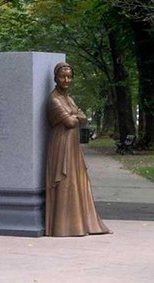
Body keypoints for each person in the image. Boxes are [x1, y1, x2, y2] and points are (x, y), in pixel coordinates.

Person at [45, 62, 110, 237]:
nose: (66, 80)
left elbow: (83, 118)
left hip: (72, 145)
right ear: (55, 78)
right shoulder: (54, 100)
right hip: (61, 145)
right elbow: (72, 121)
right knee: (65, 181)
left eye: (69, 76)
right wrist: (75, 116)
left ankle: (78, 222)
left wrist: (75, 116)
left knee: (77, 180)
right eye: (62, 76)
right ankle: (63, 225)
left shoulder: (69, 98)